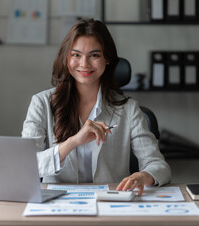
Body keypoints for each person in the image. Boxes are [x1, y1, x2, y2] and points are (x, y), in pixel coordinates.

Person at [22, 18, 170, 195]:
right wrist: (73, 142)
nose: (84, 64)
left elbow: (159, 165)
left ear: (107, 59)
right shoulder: (42, 103)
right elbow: (26, 165)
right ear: (66, 58)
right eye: (76, 55)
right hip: (59, 205)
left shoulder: (128, 109)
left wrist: (143, 176)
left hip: (110, 204)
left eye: (94, 55)